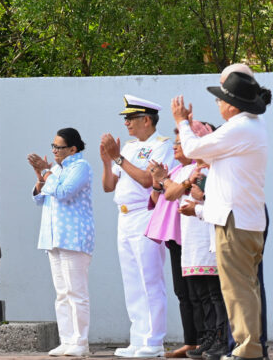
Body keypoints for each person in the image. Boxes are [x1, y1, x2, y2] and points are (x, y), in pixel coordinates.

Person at [172, 69, 270, 360]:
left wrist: (182, 123)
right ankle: (247, 347)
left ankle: (246, 350)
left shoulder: (239, 127)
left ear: (233, 104)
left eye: (221, 99)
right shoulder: (251, 125)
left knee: (237, 289)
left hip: (235, 222)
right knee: (244, 288)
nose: (217, 104)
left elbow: (192, 149)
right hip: (244, 219)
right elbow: (206, 154)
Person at [100, 95, 174, 358]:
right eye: (125, 119)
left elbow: (146, 180)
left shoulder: (161, 145)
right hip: (125, 216)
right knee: (132, 280)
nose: (127, 124)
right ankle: (138, 338)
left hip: (146, 214)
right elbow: (109, 186)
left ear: (146, 119)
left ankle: (154, 341)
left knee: (150, 279)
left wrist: (117, 158)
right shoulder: (130, 147)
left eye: (130, 118)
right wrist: (107, 162)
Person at [28, 128, 94, 357]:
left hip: (73, 237)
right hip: (54, 237)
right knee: (62, 293)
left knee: (76, 291)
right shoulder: (55, 169)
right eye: (53, 146)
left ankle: (81, 341)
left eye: (59, 147)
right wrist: (40, 175)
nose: (54, 150)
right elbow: (41, 198)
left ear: (73, 149)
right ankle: (66, 339)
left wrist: (45, 173)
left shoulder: (80, 167)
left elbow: (65, 191)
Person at [146, 132, 200, 358]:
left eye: (180, 144)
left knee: (197, 290)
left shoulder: (197, 169)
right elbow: (161, 201)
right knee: (181, 291)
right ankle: (190, 341)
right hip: (175, 236)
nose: (175, 147)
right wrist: (157, 182)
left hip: (192, 236)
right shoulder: (177, 170)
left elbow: (176, 193)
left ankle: (203, 340)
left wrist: (163, 180)